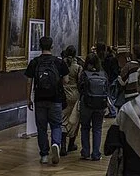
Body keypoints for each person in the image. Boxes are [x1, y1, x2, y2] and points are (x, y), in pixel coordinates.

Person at [24, 36, 68, 164]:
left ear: (40, 46)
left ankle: (44, 154)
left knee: (41, 128)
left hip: (39, 99)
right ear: (52, 46)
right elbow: (66, 80)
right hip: (56, 99)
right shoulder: (58, 62)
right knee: (56, 125)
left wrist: (28, 99)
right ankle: (56, 144)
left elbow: (28, 82)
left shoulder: (35, 62)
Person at [78, 53, 109, 161]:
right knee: (97, 129)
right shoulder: (103, 74)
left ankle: (85, 152)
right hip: (100, 104)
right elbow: (107, 89)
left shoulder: (84, 74)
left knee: (85, 127)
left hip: (86, 104)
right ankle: (96, 153)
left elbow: (80, 88)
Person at [60, 46, 83, 156]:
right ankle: (71, 144)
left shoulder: (62, 64)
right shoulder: (78, 67)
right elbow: (80, 82)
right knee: (74, 119)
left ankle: (63, 145)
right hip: (74, 94)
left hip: (63, 92)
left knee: (63, 118)